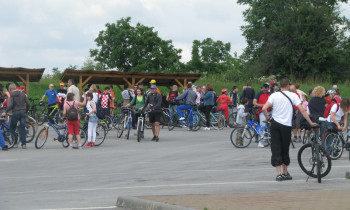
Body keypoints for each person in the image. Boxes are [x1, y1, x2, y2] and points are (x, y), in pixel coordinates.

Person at [262, 78, 315, 182]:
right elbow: (302, 110)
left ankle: (279, 174)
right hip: (286, 125)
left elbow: (264, 108)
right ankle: (286, 172)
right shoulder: (293, 95)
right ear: (288, 85)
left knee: (276, 147)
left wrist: (268, 118)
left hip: (275, 123)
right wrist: (310, 122)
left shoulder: (274, 95)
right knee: (285, 148)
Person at [4, 83, 30, 149]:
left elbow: (10, 105)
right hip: (23, 112)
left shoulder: (12, 95)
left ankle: (15, 143)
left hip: (15, 113)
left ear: (11, 89)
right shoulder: (23, 94)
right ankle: (24, 144)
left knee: (12, 128)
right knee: (22, 128)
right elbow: (28, 103)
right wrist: (26, 111)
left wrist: (6, 111)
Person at [253, 83, 272, 148]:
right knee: (262, 125)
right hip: (262, 111)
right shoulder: (259, 94)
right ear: (262, 88)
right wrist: (261, 105)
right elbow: (254, 102)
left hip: (270, 111)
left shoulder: (270, 94)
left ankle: (270, 139)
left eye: (266, 89)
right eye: (264, 89)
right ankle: (260, 141)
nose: (265, 91)